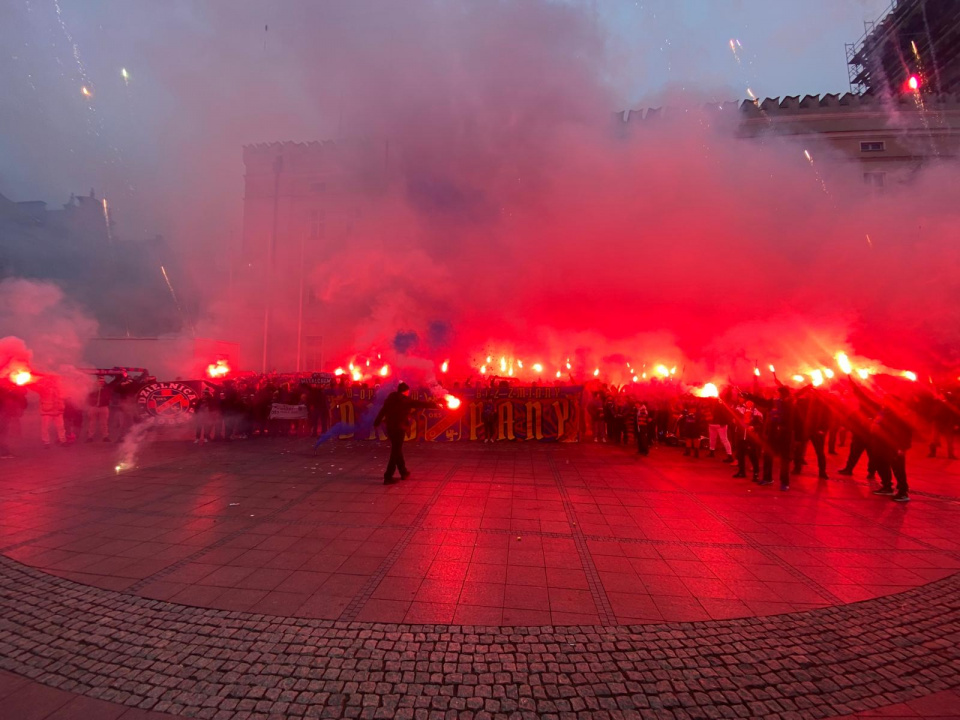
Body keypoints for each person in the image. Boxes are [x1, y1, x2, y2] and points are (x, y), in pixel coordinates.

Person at [374, 382, 441, 484]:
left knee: (397, 449)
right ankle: (388, 476)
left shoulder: (390, 398)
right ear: (405, 391)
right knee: (395, 451)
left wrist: (377, 422)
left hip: (390, 427)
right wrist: (435, 405)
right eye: (408, 391)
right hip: (399, 427)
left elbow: (383, 410)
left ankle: (403, 472)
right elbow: (420, 403)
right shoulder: (405, 400)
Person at [870, 398, 913, 502]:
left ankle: (903, 492)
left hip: (895, 445)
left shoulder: (900, 415)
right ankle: (887, 486)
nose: (884, 402)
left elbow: (907, 432)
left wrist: (902, 447)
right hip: (883, 444)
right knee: (881, 464)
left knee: (898, 469)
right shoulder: (884, 412)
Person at [732, 399, 763, 482]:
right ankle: (741, 472)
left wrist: (754, 427)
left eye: (751, 402)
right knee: (740, 455)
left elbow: (760, 425)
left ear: (753, 403)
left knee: (752, 456)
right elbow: (733, 416)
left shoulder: (757, 413)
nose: (749, 403)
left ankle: (756, 474)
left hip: (751, 438)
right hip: (740, 436)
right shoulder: (740, 410)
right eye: (747, 401)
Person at [37, 376, 68, 448]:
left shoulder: (61, 389)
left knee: (61, 427)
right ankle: (46, 442)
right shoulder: (43, 389)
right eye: (51, 381)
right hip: (47, 411)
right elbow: (35, 388)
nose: (53, 382)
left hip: (58, 411)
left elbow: (66, 396)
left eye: (54, 381)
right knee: (45, 428)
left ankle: (63, 441)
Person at [705, 398, 734, 463]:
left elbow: (725, 413)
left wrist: (724, 422)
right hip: (712, 424)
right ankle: (712, 452)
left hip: (720, 424)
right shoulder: (710, 402)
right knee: (712, 439)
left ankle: (730, 456)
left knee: (724, 440)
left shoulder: (722, 402)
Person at [86, 377, 112, 442]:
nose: (101, 382)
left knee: (104, 423)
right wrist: (91, 403)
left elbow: (109, 396)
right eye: (100, 381)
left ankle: (105, 436)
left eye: (103, 381)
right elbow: (88, 397)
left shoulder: (106, 389)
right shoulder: (93, 389)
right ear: (97, 382)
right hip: (94, 407)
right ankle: (90, 437)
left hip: (103, 407)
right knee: (92, 423)